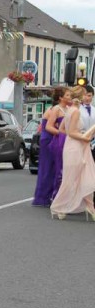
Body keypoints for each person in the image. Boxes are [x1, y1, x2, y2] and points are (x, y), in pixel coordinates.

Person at [50, 86, 95, 220]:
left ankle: (90, 207)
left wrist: (79, 137)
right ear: (81, 97)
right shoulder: (75, 112)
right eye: (85, 95)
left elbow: (63, 129)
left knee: (83, 177)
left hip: (74, 145)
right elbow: (71, 132)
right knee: (73, 179)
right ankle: (58, 207)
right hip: (76, 147)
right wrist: (84, 137)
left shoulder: (70, 110)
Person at [33, 87, 71, 206]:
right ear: (60, 97)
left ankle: (56, 195)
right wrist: (62, 134)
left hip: (58, 138)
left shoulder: (67, 108)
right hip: (49, 139)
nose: (70, 97)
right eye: (68, 95)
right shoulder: (54, 109)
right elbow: (48, 127)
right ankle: (43, 196)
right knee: (49, 167)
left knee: (58, 167)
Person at [79, 85, 95, 161]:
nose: (87, 98)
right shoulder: (77, 109)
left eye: (89, 96)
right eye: (85, 95)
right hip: (80, 140)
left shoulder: (94, 109)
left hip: (93, 141)